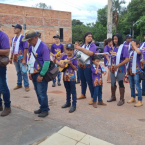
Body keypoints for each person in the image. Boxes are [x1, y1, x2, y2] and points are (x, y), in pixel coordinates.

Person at [22, 30, 50, 118]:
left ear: (35, 38)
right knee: (38, 92)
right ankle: (42, 107)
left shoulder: (43, 47)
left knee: (42, 92)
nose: (28, 42)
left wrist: (41, 75)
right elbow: (30, 60)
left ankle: (45, 109)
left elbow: (46, 62)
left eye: (29, 40)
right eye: (27, 40)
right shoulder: (31, 47)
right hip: (33, 73)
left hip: (40, 74)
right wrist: (30, 72)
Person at [75, 32, 98, 105]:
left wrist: (80, 48)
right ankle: (83, 94)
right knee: (82, 81)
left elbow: (91, 53)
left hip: (88, 66)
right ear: (85, 37)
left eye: (91, 36)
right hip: (81, 65)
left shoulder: (92, 45)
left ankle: (93, 97)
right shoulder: (82, 45)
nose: (90, 38)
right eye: (88, 36)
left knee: (90, 81)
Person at [107, 33, 129, 106]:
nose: (114, 40)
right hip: (113, 68)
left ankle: (122, 99)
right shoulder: (114, 48)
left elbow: (127, 59)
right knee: (113, 82)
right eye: (114, 39)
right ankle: (113, 96)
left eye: (116, 39)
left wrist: (118, 65)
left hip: (120, 69)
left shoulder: (123, 48)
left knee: (120, 83)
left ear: (119, 39)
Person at [56, 44, 77, 113]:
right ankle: (68, 102)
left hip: (72, 77)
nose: (69, 51)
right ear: (66, 50)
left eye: (71, 50)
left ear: (73, 51)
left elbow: (76, 69)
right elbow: (57, 61)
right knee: (67, 90)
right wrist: (61, 64)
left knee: (73, 91)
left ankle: (74, 105)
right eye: (68, 50)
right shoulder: (64, 56)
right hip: (65, 77)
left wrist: (71, 64)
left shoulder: (74, 58)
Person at [10, 24, 30, 92]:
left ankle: (26, 85)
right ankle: (19, 84)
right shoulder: (13, 38)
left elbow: (25, 49)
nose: (14, 29)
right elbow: (12, 48)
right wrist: (10, 58)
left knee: (23, 72)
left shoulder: (23, 38)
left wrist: (24, 59)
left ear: (19, 30)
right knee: (18, 72)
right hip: (15, 58)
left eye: (15, 28)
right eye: (14, 28)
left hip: (21, 58)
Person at [127, 40, 143, 107]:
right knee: (131, 85)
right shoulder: (131, 52)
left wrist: (134, 46)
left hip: (136, 71)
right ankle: (133, 97)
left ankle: (140, 100)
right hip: (130, 71)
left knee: (138, 86)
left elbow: (139, 52)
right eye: (131, 45)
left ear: (137, 45)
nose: (132, 46)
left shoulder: (139, 51)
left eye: (133, 45)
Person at [0, 30, 11, 116]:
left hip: (1, 64)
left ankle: (7, 107)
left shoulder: (3, 36)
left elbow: (7, 50)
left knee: (3, 86)